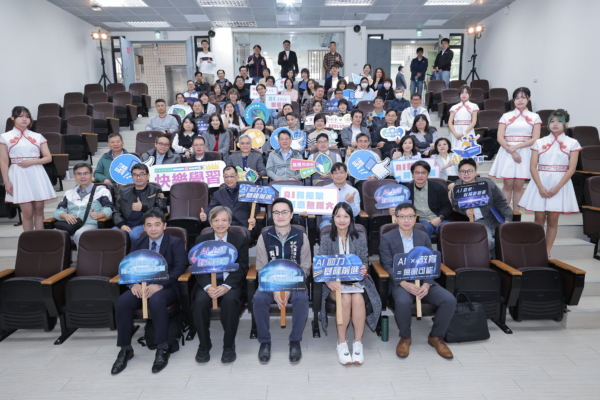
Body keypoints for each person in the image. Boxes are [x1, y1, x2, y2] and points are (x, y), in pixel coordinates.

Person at [110, 210, 186, 375]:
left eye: (157, 224)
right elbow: (130, 266)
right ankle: (125, 349)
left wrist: (160, 285)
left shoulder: (175, 242)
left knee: (156, 301)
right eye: (149, 225)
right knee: (123, 302)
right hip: (142, 286)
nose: (153, 228)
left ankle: (162, 348)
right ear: (144, 227)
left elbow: (180, 268)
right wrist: (133, 284)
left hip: (166, 287)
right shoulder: (139, 242)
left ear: (164, 225)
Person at [379, 203, 456, 360]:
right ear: (396, 218)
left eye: (410, 216)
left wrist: (427, 284)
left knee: (449, 300)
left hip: (423, 279)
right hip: (401, 282)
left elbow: (431, 263)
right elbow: (387, 265)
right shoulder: (387, 238)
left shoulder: (423, 236)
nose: (406, 220)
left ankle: (436, 336)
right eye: (402, 217)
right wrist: (404, 284)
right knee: (402, 301)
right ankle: (405, 337)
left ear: (416, 218)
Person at [318, 202, 381, 365]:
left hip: (357, 281)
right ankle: (341, 343)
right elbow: (321, 265)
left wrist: (364, 268)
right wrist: (328, 280)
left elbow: (364, 261)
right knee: (345, 298)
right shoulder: (326, 238)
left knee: (357, 298)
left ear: (351, 219)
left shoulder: (359, 237)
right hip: (334, 283)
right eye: (338, 216)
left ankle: (358, 343)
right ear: (333, 218)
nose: (341, 220)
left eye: (345, 216)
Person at [254, 198, 311, 364]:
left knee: (301, 298)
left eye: (284, 212)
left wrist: (289, 286)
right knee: (258, 298)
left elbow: (305, 266)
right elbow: (261, 268)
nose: (280, 215)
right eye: (276, 212)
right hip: (270, 283)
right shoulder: (264, 237)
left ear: (291, 215)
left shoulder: (301, 236)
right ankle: (264, 341)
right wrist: (274, 289)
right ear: (272, 215)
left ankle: (295, 340)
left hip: (296, 282)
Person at [518, 109, 581, 256]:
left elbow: (572, 168)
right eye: (552, 121)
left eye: (559, 121)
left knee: (553, 220)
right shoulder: (539, 142)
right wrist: (540, 187)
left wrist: (558, 187)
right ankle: (535, 249)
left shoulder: (572, 143)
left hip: (560, 184)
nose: (555, 124)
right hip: (540, 182)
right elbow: (532, 166)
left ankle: (546, 252)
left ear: (566, 124)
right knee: (539, 219)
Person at [192, 206, 249, 364]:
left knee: (230, 301)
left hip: (229, 283)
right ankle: (204, 345)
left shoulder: (239, 240)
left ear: (230, 223)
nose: (220, 223)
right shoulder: (201, 241)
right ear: (210, 223)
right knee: (199, 302)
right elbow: (197, 267)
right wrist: (207, 287)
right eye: (216, 220)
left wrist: (226, 286)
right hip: (207, 283)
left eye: (224, 220)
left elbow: (242, 267)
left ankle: (229, 345)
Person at [0, 106, 56, 231]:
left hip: (36, 172)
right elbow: (3, 161)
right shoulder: (5, 137)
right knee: (27, 212)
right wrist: (6, 182)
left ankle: (40, 238)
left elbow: (48, 158)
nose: (24, 119)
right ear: (12, 118)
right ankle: (29, 240)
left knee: (39, 210)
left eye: (27, 116)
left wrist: (31, 162)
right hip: (18, 174)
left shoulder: (38, 136)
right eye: (20, 116)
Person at [489, 87, 541, 212]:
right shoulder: (506, 116)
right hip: (507, 151)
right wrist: (512, 150)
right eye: (517, 98)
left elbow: (535, 138)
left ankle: (516, 215)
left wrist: (516, 147)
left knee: (519, 186)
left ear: (528, 99)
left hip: (524, 152)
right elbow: (500, 137)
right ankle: (505, 215)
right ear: (513, 100)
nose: (520, 100)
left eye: (523, 97)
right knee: (507, 185)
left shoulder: (535, 117)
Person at [451, 158, 513, 255]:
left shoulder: (487, 183)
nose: (466, 174)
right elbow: (456, 206)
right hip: (478, 222)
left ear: (476, 172)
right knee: (488, 241)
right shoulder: (457, 188)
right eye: (463, 171)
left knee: (509, 239)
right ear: (459, 173)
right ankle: (488, 261)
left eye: (470, 171)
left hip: (494, 218)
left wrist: (507, 219)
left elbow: (501, 202)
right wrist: (465, 211)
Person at [54, 163, 112, 246]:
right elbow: (58, 211)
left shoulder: (102, 191)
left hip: (90, 224)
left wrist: (99, 215)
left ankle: (83, 255)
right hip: (70, 226)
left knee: (80, 234)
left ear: (92, 175)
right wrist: (65, 215)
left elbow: (109, 208)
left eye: (86, 173)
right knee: (55, 234)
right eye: (79, 174)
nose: (82, 176)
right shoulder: (69, 193)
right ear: (74, 176)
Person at [112, 163, 167, 242]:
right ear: (132, 177)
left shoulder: (156, 190)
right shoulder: (123, 191)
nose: (138, 177)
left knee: (134, 235)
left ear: (148, 176)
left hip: (143, 224)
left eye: (141, 174)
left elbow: (162, 210)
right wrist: (122, 225)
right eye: (135, 175)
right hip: (124, 224)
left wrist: (143, 208)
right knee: (111, 234)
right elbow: (116, 212)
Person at [406, 161, 452, 238]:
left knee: (445, 228)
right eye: (417, 173)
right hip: (421, 221)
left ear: (428, 174)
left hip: (439, 219)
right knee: (424, 227)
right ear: (412, 174)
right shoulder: (407, 190)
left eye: (423, 173)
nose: (420, 175)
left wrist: (440, 218)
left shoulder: (438, 187)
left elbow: (447, 206)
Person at [319, 163, 360, 228]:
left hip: (347, 221)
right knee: (326, 228)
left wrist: (351, 202)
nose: (339, 175)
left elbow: (355, 214)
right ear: (332, 176)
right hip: (329, 221)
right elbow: (317, 207)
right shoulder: (324, 190)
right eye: (336, 173)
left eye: (341, 172)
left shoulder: (353, 191)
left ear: (346, 174)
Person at [448, 85, 479, 151]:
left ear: (470, 94)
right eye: (462, 93)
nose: (464, 95)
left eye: (466, 92)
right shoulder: (454, 107)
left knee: (468, 150)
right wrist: (454, 133)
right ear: (459, 95)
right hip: (456, 132)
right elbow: (450, 122)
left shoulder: (474, 106)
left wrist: (464, 133)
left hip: (468, 131)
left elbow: (474, 121)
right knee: (455, 151)